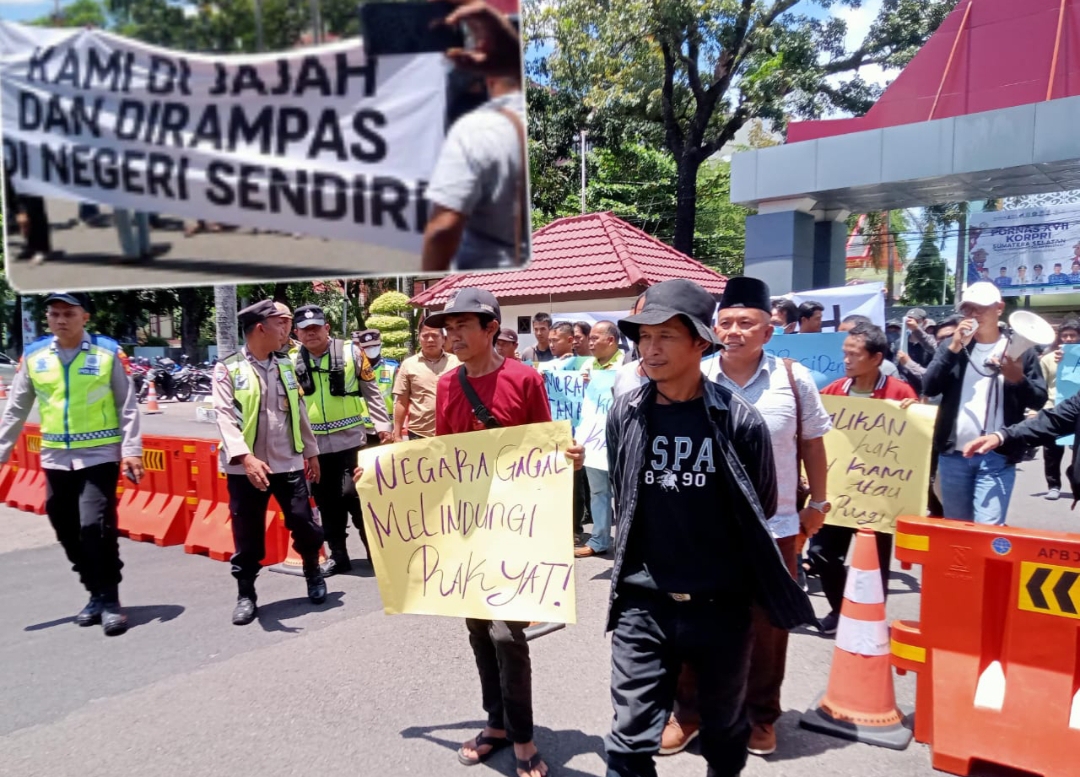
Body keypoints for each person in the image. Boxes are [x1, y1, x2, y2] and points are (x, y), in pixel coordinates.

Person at [603, 278, 815, 777]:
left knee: (724, 731)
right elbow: (623, 493)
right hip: (643, 603)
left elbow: (760, 504)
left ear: (701, 343)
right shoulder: (625, 413)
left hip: (721, 606)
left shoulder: (739, 419)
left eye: (665, 336)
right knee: (629, 741)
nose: (650, 349)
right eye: (644, 336)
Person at [662, 277, 831, 758]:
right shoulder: (694, 375)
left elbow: (812, 444)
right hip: (701, 527)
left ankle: (760, 716)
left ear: (768, 331)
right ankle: (688, 714)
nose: (734, 331)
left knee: (767, 627)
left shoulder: (793, 380)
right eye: (726, 322)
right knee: (692, 621)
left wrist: (818, 504)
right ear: (713, 328)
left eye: (746, 323)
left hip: (774, 527)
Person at [425, 287, 584, 777]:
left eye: (462, 326)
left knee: (506, 633)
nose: (452, 336)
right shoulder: (448, 385)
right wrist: (383, 477)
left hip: (517, 527)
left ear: (491, 328)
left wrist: (568, 457)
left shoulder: (524, 378)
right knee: (477, 628)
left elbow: (544, 447)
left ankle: (522, 736)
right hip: (468, 527)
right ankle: (495, 723)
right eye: (448, 328)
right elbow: (442, 456)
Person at [0, 292, 142, 636]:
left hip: (99, 454)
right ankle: (93, 592)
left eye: (69, 313)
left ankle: (110, 599)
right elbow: (16, 408)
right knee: (64, 526)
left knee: (95, 526)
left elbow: (127, 404)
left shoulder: (107, 353)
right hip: (55, 457)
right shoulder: (35, 356)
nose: (61, 320)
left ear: (85, 317)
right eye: (54, 314)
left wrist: (132, 449)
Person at [213, 300, 328, 625]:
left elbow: (299, 412)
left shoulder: (286, 365)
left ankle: (313, 573)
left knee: (304, 523)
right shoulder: (228, 368)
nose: (286, 330)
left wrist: (311, 452)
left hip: (287, 462)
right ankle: (246, 594)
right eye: (281, 323)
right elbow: (224, 417)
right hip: (246, 469)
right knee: (247, 534)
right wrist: (245, 457)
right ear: (261, 328)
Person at [814, 323, 918, 633]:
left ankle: (870, 617)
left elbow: (917, 440)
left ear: (876, 358)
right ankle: (840, 609)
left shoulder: (900, 392)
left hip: (879, 494)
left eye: (854, 354)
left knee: (875, 561)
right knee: (821, 553)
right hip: (838, 492)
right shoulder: (833, 392)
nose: (846, 360)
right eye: (844, 353)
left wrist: (914, 414)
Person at [922, 282, 1046, 525]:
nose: (973, 314)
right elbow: (929, 387)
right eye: (968, 309)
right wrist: (954, 347)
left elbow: (1038, 399)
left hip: (997, 455)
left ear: (999, 308)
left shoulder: (1020, 351)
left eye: (981, 308)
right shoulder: (952, 346)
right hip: (953, 455)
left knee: (987, 528)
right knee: (957, 528)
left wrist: (1018, 379)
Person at [421, 1, 526, 271]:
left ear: (487, 78)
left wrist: (430, 278)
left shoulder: (477, 130)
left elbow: (442, 230)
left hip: (483, 273)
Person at [291, 305, 391, 574]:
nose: (311, 333)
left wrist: (383, 427)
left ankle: (375, 553)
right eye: (305, 329)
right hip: (315, 447)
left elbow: (372, 392)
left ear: (327, 328)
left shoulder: (352, 353)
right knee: (327, 502)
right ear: (297, 333)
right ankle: (338, 555)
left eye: (316, 328)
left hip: (352, 441)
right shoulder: (290, 361)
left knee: (356, 495)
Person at [575, 320, 625, 560]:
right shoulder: (587, 366)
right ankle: (599, 539)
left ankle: (627, 542)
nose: (590, 342)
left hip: (620, 440)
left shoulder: (628, 364)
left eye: (595, 338)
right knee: (598, 492)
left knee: (624, 493)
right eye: (590, 338)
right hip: (593, 441)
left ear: (611, 340)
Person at [392, 319, 459, 442]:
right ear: (419, 338)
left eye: (435, 335)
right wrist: (397, 434)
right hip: (419, 432)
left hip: (453, 431)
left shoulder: (458, 363)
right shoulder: (408, 365)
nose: (430, 340)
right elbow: (401, 402)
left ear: (444, 339)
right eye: (425, 336)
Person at [1039, 320, 1080, 500]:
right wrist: (1035, 409)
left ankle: (1076, 483)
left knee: (1077, 452)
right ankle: (1053, 485)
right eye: (1065, 336)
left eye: (1073, 335)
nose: (1069, 339)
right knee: (1051, 451)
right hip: (1054, 408)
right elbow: (1040, 386)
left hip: (1077, 410)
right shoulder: (1048, 359)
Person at [354, 329, 396, 448]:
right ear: (361, 348)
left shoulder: (392, 368)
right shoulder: (354, 371)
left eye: (374, 346)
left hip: (388, 429)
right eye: (367, 347)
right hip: (362, 430)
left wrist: (398, 428)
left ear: (380, 345)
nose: (371, 349)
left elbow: (398, 401)